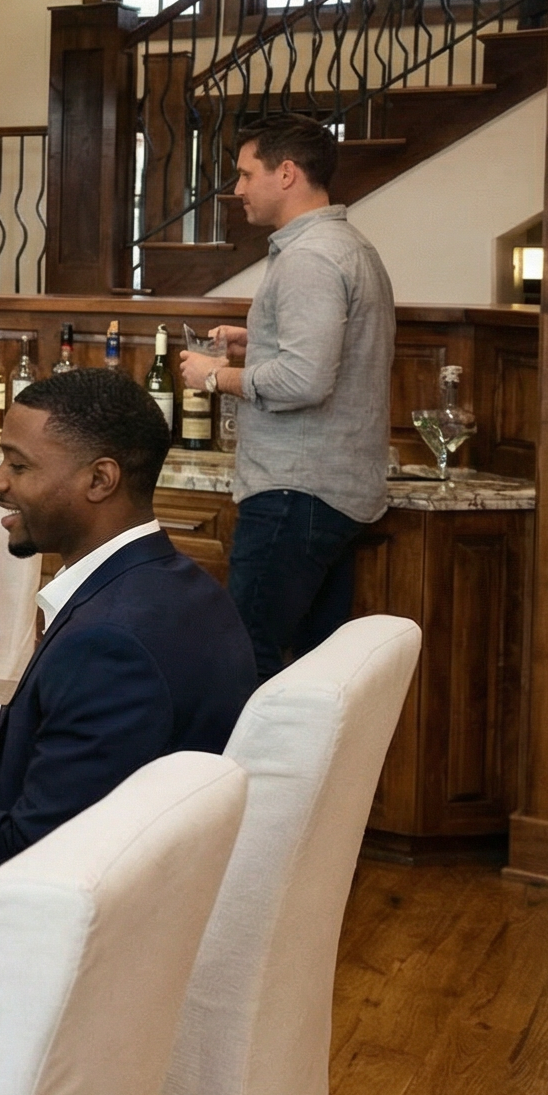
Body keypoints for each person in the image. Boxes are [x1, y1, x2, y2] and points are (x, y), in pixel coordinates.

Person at [0, 371, 255, 874]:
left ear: (99, 480)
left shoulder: (108, 646)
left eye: (19, 465)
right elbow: (115, 749)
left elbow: (31, 851)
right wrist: (1, 721)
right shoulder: (185, 587)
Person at [177, 113, 397, 679]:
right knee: (314, 672)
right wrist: (258, 340)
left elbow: (304, 380)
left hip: (293, 493)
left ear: (287, 173)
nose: (238, 189)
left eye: (247, 174)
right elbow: (333, 350)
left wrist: (214, 376)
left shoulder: (309, 258)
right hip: (331, 492)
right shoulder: (347, 245)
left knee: (243, 654)